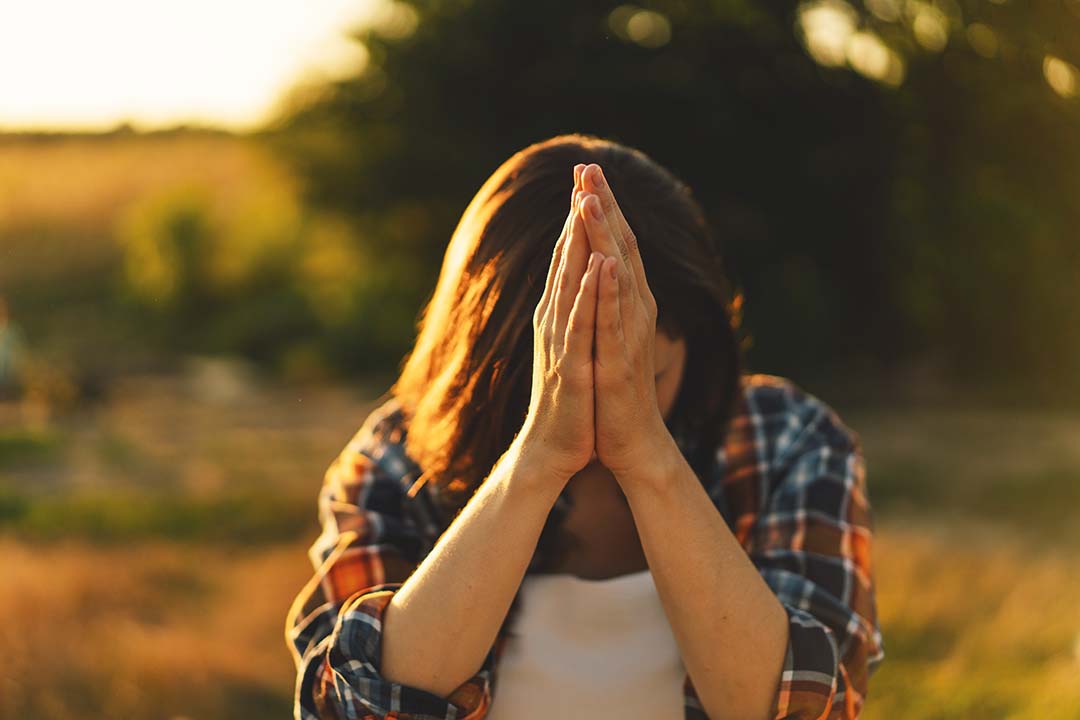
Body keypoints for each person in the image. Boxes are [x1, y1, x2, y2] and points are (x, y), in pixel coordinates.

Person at [285, 134, 884, 719]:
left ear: (697, 343)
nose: (603, 407)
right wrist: (537, 459)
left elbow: (811, 706)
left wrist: (648, 457)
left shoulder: (786, 438)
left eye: (643, 382)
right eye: (558, 381)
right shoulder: (396, 457)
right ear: (482, 362)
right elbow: (351, 707)